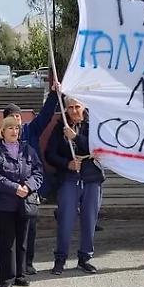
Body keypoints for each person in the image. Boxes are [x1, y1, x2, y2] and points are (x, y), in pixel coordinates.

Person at [45, 96, 104, 274]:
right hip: (69, 179)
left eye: (76, 106)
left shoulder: (94, 124)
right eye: (70, 107)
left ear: (83, 106)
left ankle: (85, 258)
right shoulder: (60, 126)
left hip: (92, 178)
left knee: (89, 220)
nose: (73, 111)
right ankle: (60, 259)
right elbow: (50, 154)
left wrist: (75, 137)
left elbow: (97, 147)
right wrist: (66, 164)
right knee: (65, 219)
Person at [0, 115, 45, 287]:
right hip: (5, 203)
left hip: (25, 201)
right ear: (2, 131)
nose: (14, 131)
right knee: (7, 241)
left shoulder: (28, 149)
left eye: (17, 128)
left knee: (23, 241)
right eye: (10, 128)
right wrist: (14, 188)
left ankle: (21, 274)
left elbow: (38, 172)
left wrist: (28, 186)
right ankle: (7, 277)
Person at [7, 87, 60, 275]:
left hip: (30, 190)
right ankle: (12, 265)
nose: (16, 121)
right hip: (9, 191)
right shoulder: (0, 140)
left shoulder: (31, 131)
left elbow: (45, 116)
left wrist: (54, 94)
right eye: (12, 117)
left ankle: (28, 263)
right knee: (10, 231)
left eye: (18, 117)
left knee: (30, 229)